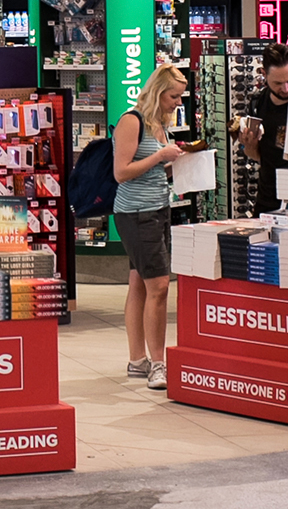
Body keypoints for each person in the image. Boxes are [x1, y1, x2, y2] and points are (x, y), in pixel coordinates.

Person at [112, 64, 187, 391]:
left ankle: (137, 359)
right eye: (174, 96)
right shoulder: (133, 121)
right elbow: (122, 172)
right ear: (158, 92)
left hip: (156, 209)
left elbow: (152, 172)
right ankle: (158, 364)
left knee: (139, 284)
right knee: (159, 287)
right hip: (137, 214)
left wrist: (176, 165)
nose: (177, 103)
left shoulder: (158, 125)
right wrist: (160, 158)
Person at [239, 42, 288, 218]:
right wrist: (250, 147)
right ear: (264, 74)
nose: (285, 88)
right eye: (278, 83)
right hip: (268, 197)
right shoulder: (257, 103)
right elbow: (261, 157)